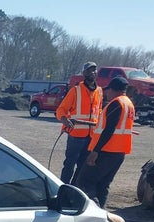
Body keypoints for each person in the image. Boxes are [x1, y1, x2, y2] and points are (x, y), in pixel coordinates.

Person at [75, 75, 135, 209]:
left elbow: (108, 130)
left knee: (85, 182)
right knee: (103, 185)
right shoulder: (129, 104)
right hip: (118, 153)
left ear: (114, 90)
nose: (106, 93)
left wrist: (95, 151)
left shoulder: (116, 103)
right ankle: (101, 213)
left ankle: (95, 211)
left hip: (106, 152)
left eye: (108, 90)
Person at [55, 61, 102, 184]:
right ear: (84, 73)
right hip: (76, 135)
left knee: (82, 166)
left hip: (91, 136)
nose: (92, 72)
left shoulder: (99, 92)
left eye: (94, 69)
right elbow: (61, 110)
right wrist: (65, 120)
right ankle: (63, 186)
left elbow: (99, 112)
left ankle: (74, 188)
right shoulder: (75, 90)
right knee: (69, 165)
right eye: (89, 70)